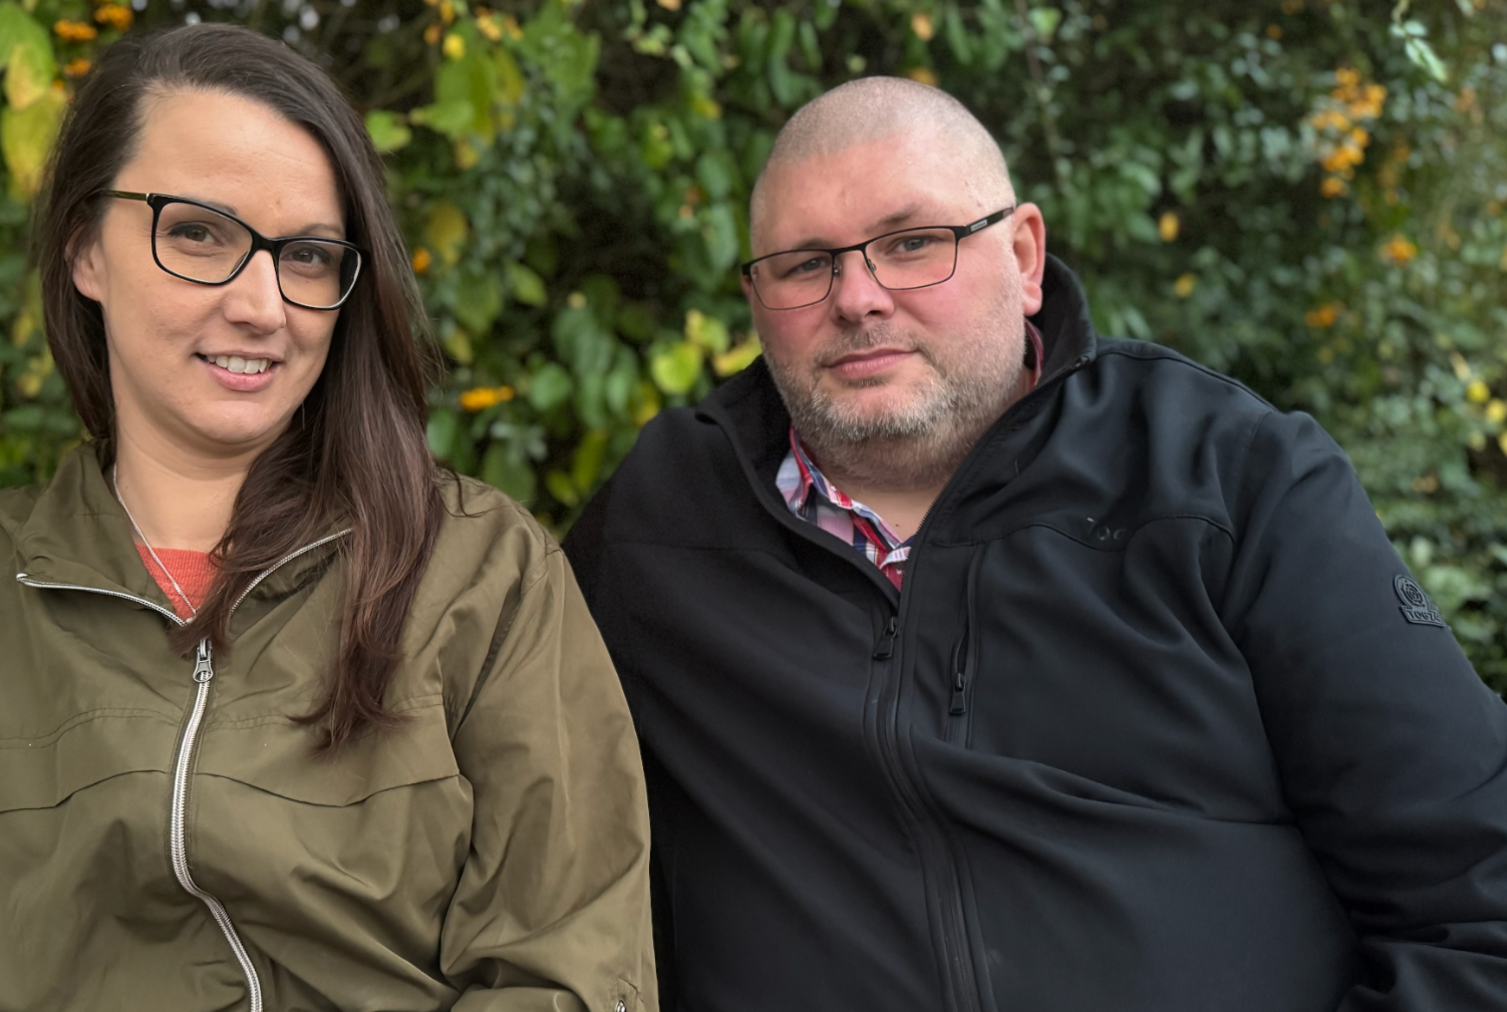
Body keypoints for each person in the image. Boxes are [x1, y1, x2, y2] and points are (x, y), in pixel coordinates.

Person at [0, 24, 654, 1012]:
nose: (263, 304)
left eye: (306, 255)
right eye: (199, 233)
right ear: (86, 245)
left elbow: (566, 972)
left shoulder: (482, 576)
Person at [563, 76, 1507, 1011]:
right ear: (756, 295)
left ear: (1024, 257)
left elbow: (1477, 900)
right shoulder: (661, 527)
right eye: (805, 264)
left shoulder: (1225, 477)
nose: (857, 296)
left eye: (912, 243)